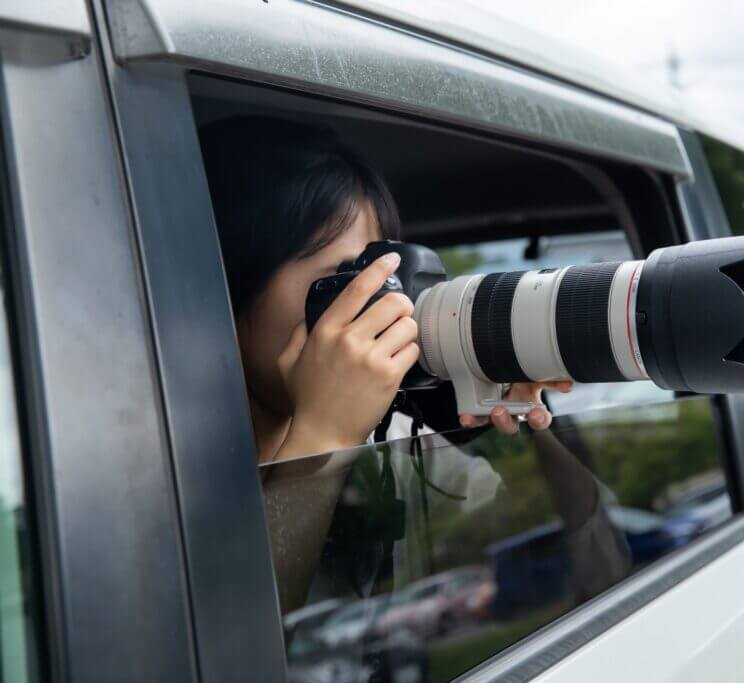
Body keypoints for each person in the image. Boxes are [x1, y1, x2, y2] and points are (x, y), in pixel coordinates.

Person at [199, 116, 629, 615]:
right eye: (344, 279)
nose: (384, 309)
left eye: (385, 277)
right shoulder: (159, 476)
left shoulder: (393, 442)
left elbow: (593, 568)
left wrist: (522, 426)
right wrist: (323, 434)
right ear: (226, 291)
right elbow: (230, 639)